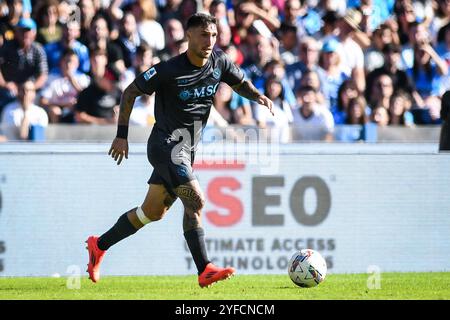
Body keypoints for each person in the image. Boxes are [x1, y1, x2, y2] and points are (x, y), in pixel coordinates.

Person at [85, 13, 273, 288]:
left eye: (213, 35)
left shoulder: (219, 61)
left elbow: (239, 83)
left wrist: (257, 95)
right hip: (165, 147)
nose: (209, 40)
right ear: (189, 36)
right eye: (203, 35)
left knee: (151, 212)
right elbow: (129, 92)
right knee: (195, 201)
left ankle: (99, 245)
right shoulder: (168, 70)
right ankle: (204, 268)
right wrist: (121, 136)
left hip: (186, 151)